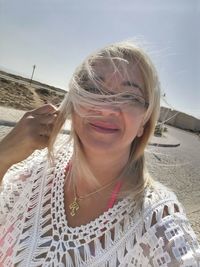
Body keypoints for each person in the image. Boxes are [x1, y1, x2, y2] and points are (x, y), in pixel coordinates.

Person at [0, 41, 199, 267]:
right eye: (94, 89)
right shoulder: (33, 171)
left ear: (144, 122)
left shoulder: (158, 226)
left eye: (130, 97)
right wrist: (3, 157)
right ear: (74, 102)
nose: (106, 107)